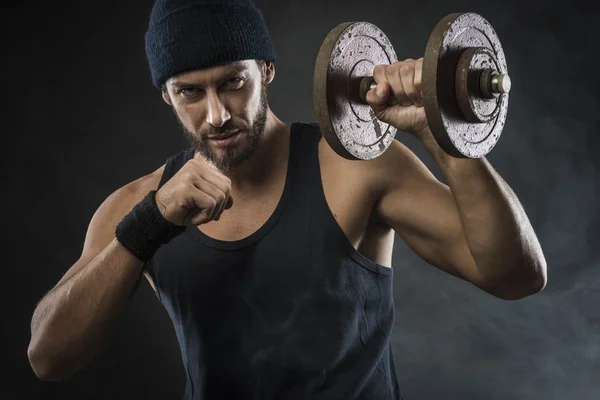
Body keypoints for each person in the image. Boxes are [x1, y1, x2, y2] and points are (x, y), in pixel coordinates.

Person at [27, 0, 547, 398]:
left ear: (266, 70)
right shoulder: (139, 206)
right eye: (190, 92)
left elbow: (516, 277)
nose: (216, 116)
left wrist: (441, 136)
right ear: (166, 94)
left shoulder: (356, 168)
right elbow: (47, 356)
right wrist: (148, 225)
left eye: (233, 82)